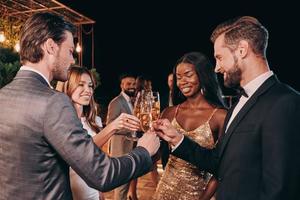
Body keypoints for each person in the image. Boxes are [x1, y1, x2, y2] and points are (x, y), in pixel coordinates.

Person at [0, 12, 160, 200]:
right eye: (69, 51)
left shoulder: (3, 95)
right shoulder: (54, 102)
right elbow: (102, 174)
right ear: (51, 46)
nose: (72, 60)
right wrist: (143, 152)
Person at [155, 16, 300, 200]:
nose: (216, 68)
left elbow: (280, 190)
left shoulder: (285, 103)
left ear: (242, 50)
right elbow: (219, 162)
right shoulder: (238, 104)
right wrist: (177, 139)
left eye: (219, 57)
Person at [57, 66, 142, 200]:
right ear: (67, 86)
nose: (88, 90)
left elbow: (95, 159)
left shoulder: (93, 121)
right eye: (81, 85)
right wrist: (114, 126)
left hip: (92, 189)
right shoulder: (60, 122)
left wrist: (100, 192)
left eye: (90, 86)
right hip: (72, 191)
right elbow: (81, 150)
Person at [152, 52, 227, 200]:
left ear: (202, 75)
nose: (182, 82)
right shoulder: (169, 112)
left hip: (199, 195)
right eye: (178, 78)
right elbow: (155, 155)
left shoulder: (220, 116)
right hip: (164, 192)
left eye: (188, 75)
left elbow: (221, 169)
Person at [106, 73, 138, 200]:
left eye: (134, 84)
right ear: (121, 85)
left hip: (131, 148)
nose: (132, 86)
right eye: (128, 84)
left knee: (127, 184)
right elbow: (110, 125)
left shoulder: (133, 101)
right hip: (120, 149)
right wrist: (132, 128)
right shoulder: (116, 102)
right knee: (121, 187)